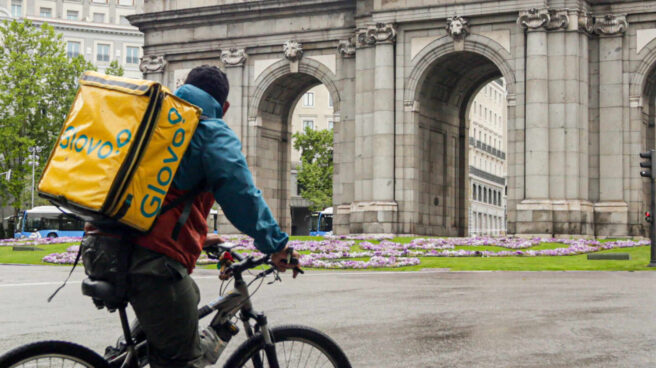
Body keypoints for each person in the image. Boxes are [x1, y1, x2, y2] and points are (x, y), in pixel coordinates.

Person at [81, 65, 299, 368]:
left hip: (100, 246)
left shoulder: (153, 117)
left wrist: (198, 235)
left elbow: (155, 191)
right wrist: (275, 245)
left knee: (186, 298)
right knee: (184, 360)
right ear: (224, 107)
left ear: (183, 87)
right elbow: (241, 195)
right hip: (149, 262)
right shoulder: (208, 129)